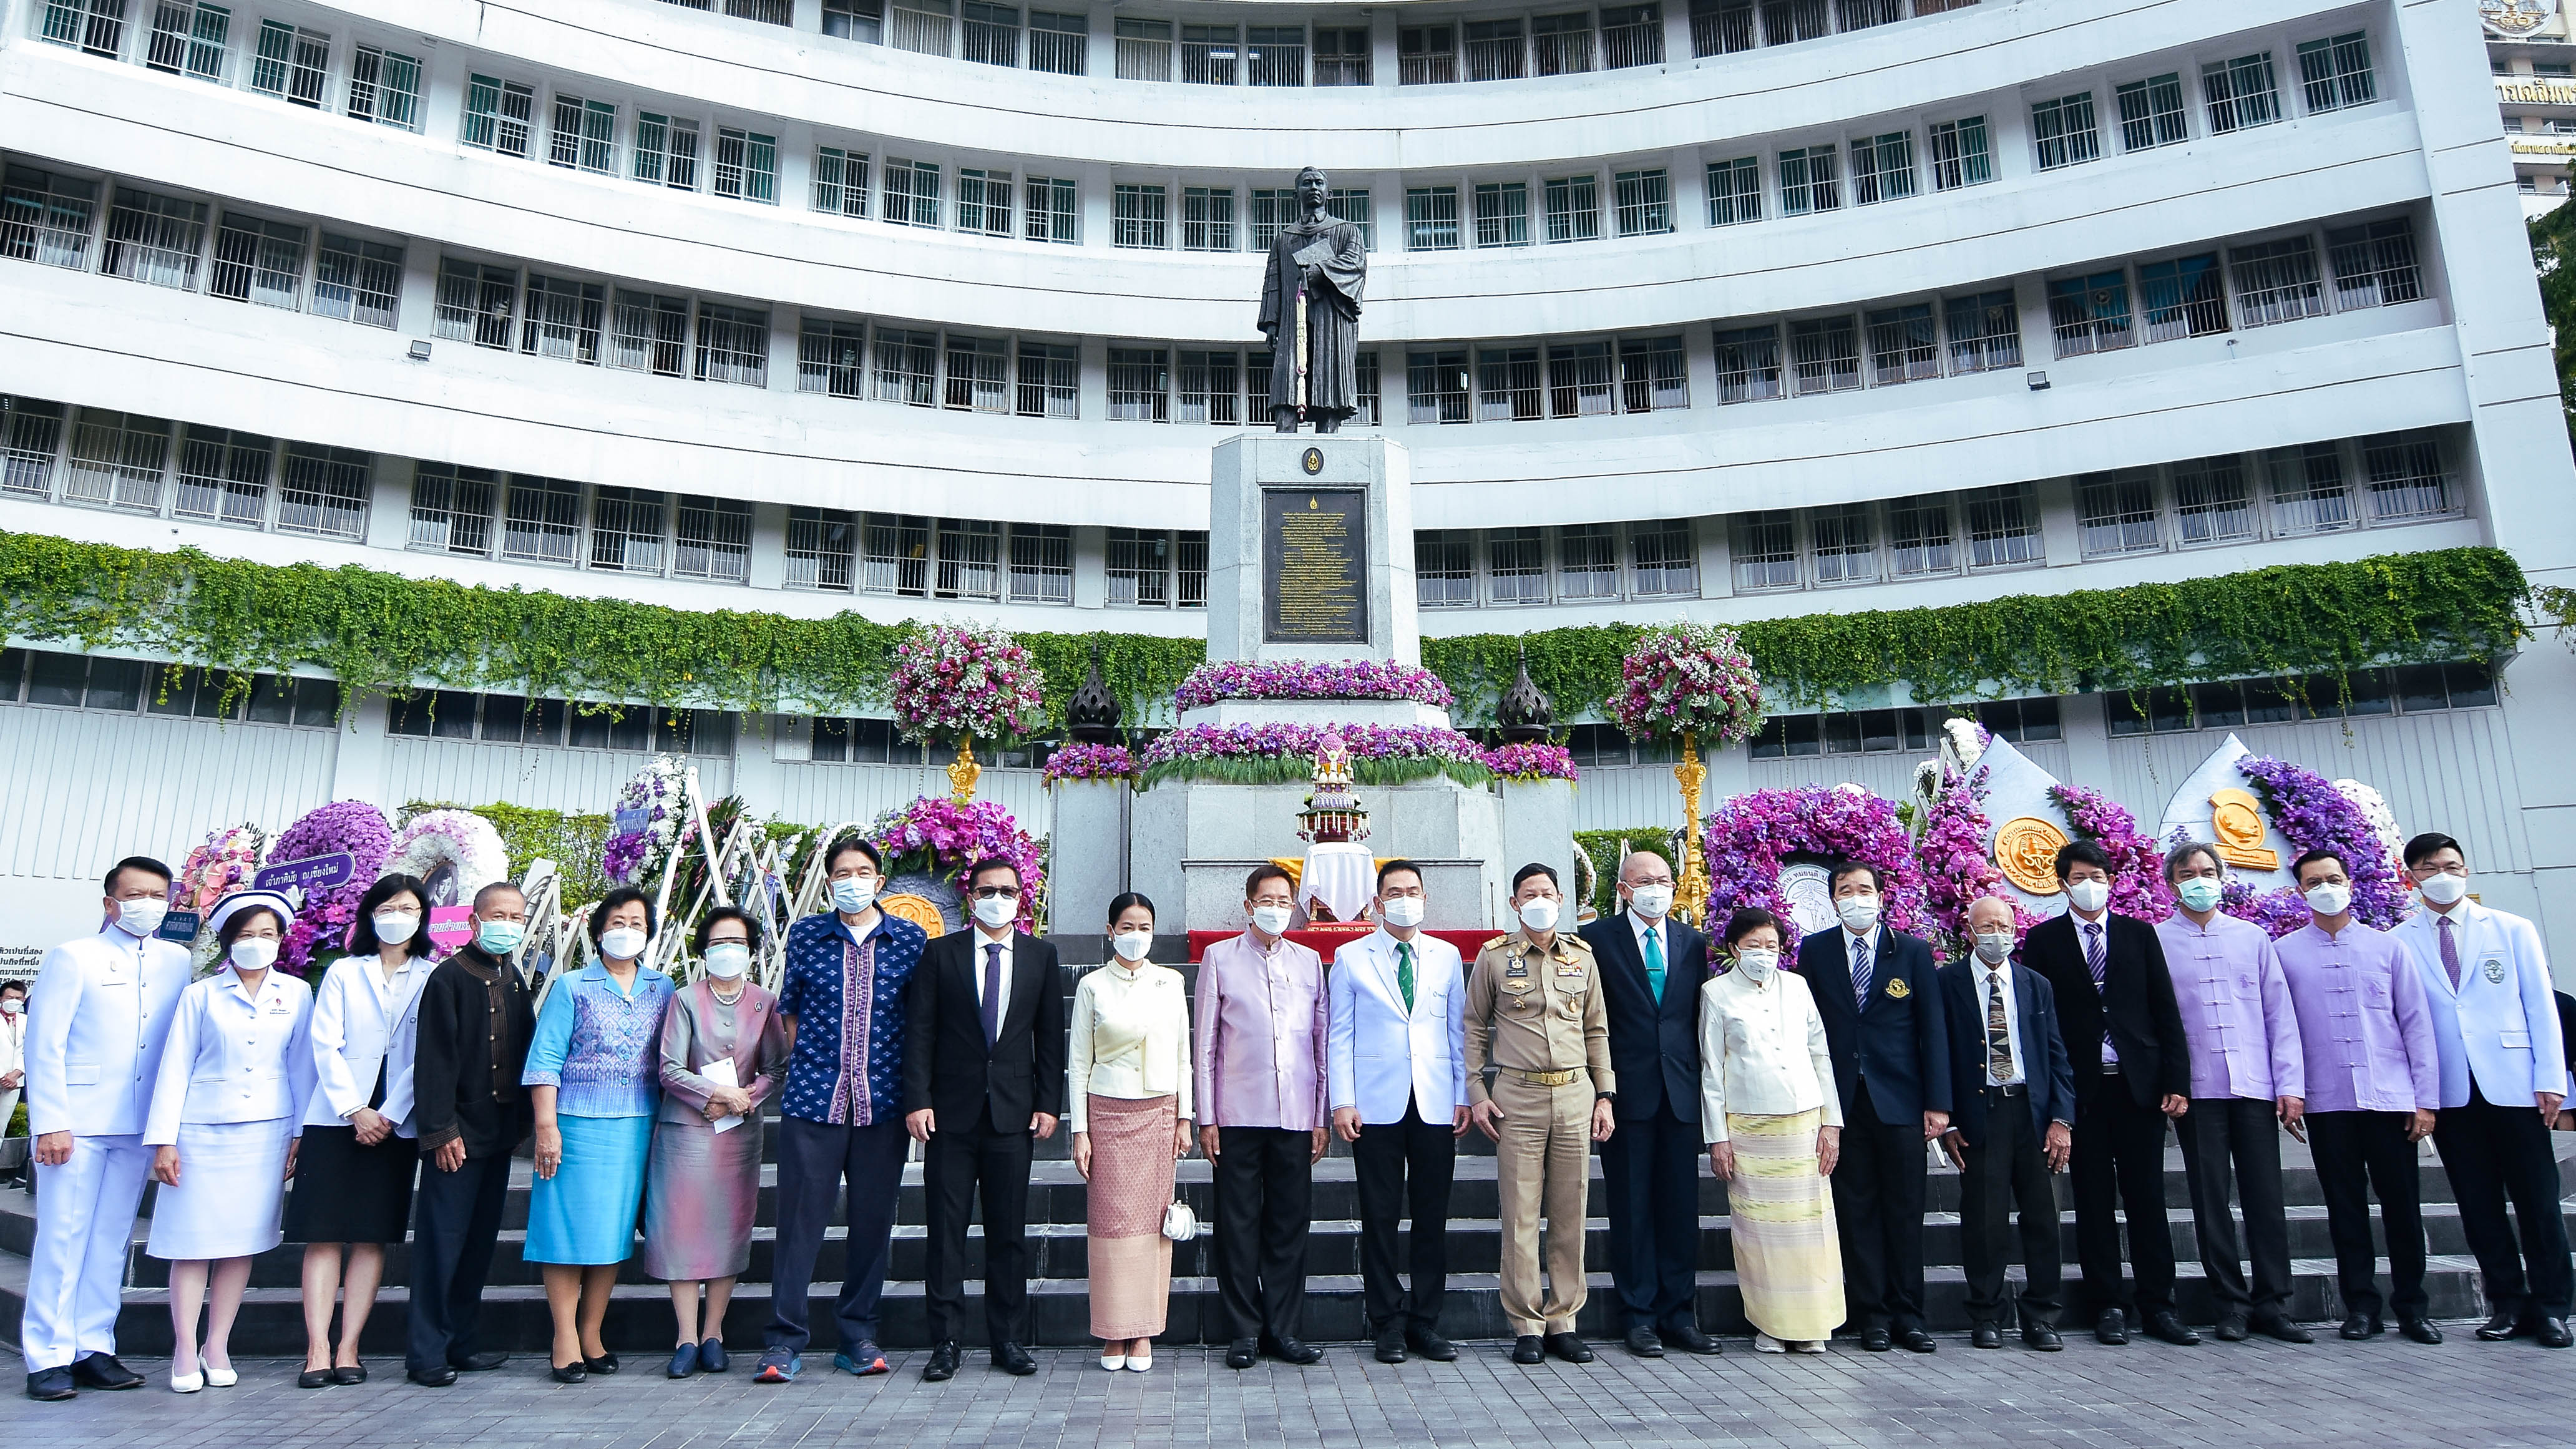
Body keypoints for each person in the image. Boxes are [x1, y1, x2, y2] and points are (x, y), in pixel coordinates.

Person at [2388, 832, 2573, 1348]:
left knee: (2538, 1201)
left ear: (2466, 871)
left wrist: (2552, 1080)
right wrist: (2417, 1095)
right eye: (2429, 867)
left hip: (2515, 1085)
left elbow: (2541, 1005)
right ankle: (2508, 1304)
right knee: (2478, 1204)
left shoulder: (2511, 929)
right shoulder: (2400, 941)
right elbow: (2407, 1023)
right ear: (2411, 878)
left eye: (2451, 865)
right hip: (2450, 1092)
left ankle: (2554, 1305)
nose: (2442, 873)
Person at [756, 837, 927, 1384]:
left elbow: (918, 1023)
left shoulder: (910, 940)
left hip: (883, 1104)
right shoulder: (807, 934)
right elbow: (791, 1012)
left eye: (863, 872)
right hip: (814, 1102)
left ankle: (858, 1334)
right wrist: (812, 1067)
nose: (852, 880)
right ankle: (784, 1340)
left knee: (872, 1224)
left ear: (881, 881)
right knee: (798, 1224)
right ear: (830, 881)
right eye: (841, 873)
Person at [22, 855, 189, 1402]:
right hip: (78, 1122)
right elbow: (44, 1044)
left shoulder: (176, 961)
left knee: (111, 1239)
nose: (148, 905)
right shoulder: (74, 957)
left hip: (138, 1123)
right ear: (110, 902)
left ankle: (94, 1346)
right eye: (136, 895)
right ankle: (47, 1356)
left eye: (158, 896)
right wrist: (51, 1122)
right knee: (63, 1236)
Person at [2022, 839, 2196, 1347]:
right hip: (2083, 1090)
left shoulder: (2139, 935)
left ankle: (2159, 1306)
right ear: (2062, 883)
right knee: (2094, 1201)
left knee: (2148, 1199)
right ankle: (2108, 1306)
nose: (2090, 884)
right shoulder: (2045, 940)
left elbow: (2165, 1010)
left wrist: (2175, 1081)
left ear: (2111, 881)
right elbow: (2041, 1024)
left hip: (2138, 1087)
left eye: (2098, 875)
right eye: (2079, 876)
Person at [142, 890, 315, 1393]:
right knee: (193, 1244)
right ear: (227, 942)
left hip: (267, 1130)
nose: (256, 944)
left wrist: (301, 1133)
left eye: (267, 935)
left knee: (240, 1244)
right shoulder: (201, 995)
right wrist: (164, 1140)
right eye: (245, 935)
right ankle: (183, 1346)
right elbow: (174, 1067)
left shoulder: (297, 993)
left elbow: (302, 1067)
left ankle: (217, 1343)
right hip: (200, 1130)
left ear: (281, 941)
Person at [906, 856, 1065, 1382]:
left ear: (1023, 897)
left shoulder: (1042, 956)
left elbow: (1049, 1039)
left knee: (1008, 1233)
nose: (998, 898)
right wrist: (918, 1098)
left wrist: (1048, 1103)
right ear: (970, 897)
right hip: (950, 1116)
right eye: (988, 890)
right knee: (946, 1231)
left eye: (1008, 890)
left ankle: (1008, 1338)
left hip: (1013, 1117)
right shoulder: (938, 954)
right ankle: (945, 1341)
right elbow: (921, 1033)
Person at [2273, 847, 2441, 1342]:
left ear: (2350, 882)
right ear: (2301, 891)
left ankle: (2413, 1307)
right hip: (2328, 1103)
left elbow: (2416, 1025)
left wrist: (2425, 1100)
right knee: (2345, 1210)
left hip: (2389, 1100)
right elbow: (2283, 1030)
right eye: (2314, 881)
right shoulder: (2284, 953)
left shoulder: (2388, 949)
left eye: (2333, 878)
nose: (2326, 887)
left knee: (2403, 1209)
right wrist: (2291, 1091)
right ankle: (2361, 1306)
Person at [2154, 842, 2311, 1344]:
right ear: (2171, 883)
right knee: (2210, 1199)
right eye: (2187, 873)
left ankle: (2275, 1303)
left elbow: (2278, 1016)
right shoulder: (2155, 942)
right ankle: (2231, 1304)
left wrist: (2290, 1084)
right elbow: (2156, 1024)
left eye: (2207, 872)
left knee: (2266, 1197)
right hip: (2197, 1093)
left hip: (2254, 1087)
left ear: (2221, 877)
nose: (2199, 880)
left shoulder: (2252, 938)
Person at [287, 874, 436, 1388]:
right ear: (372, 914)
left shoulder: (432, 975)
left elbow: (429, 1055)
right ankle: (317, 1348)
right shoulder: (346, 973)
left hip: (396, 1120)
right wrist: (355, 1108)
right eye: (389, 906)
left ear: (423, 918)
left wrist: (390, 1114)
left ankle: (350, 1347)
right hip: (335, 1116)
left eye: (410, 908)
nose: (399, 915)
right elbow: (323, 1043)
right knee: (324, 1234)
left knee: (372, 1236)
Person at [523, 885, 676, 1383]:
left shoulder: (663, 987)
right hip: (575, 1123)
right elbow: (545, 1059)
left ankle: (592, 1332)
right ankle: (564, 1336)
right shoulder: (572, 986)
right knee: (567, 1232)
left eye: (636, 923)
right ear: (597, 931)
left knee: (611, 1234)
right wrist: (546, 1126)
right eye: (616, 923)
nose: (626, 931)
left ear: (649, 933)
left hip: (637, 1125)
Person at [1465, 862, 1614, 1365]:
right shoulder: (1494, 959)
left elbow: (1597, 1029)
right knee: (1522, 1214)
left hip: (1575, 1092)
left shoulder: (1582, 958)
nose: (1540, 901)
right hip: (1517, 1097)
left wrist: (1605, 1095)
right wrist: (1475, 1090)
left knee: (1571, 1211)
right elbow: (1473, 1028)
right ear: (1514, 903)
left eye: (1548, 893)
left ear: (1561, 899)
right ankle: (1526, 1324)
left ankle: (1563, 1320)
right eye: (1530, 894)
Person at [1797, 859, 1948, 1354]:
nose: (1855, 897)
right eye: (1845, 890)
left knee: (1905, 1210)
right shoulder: (1815, 951)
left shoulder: (1911, 951)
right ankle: (1872, 1316)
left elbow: (1933, 1032)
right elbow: (1809, 1030)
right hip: (1842, 1102)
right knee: (1856, 1208)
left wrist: (1938, 1104)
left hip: (1901, 1101)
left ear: (1881, 896)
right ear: (1833, 898)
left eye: (1864, 889)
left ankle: (1909, 1313)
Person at [1328, 859, 1468, 1365]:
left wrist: (1464, 1095)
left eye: (1413, 890)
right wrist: (1342, 1100)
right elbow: (1339, 1035)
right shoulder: (1350, 956)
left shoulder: (1447, 956)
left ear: (1425, 898)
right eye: (1394, 891)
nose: (1404, 898)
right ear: (1377, 900)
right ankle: (1386, 1320)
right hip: (1375, 1104)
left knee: (1432, 1217)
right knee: (1380, 1216)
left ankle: (1426, 1321)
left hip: (1433, 1101)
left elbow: (1457, 1032)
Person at [1580, 850, 1717, 1359]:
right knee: (1632, 1209)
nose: (1656, 888)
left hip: (1681, 1094)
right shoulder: (1595, 942)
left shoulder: (1692, 942)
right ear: (1623, 888)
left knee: (1682, 1210)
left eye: (1663, 879)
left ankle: (1681, 1315)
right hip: (1625, 1095)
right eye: (1644, 881)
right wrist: (1602, 1091)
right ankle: (1637, 1317)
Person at [1194, 864, 1329, 1370]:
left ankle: (1283, 1329)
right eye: (1266, 900)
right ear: (1248, 905)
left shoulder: (1311, 961)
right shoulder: (1220, 959)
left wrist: (1320, 1115)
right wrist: (1207, 1117)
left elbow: (1320, 1042)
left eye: (1284, 900)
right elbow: (1204, 1045)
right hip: (1237, 1113)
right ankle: (1244, 1330)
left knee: (1289, 1224)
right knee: (1238, 1224)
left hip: (1295, 1113)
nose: (1276, 908)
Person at [405, 881, 538, 1387]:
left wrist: (526, 1119)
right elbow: (434, 1062)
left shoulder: (513, 976)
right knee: (443, 1243)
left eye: (516, 916)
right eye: (498, 914)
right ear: (474, 921)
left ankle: (463, 1342)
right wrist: (440, 1131)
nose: (508, 924)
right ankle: (426, 1353)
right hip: (456, 1135)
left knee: (479, 1242)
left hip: (500, 1131)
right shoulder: (448, 977)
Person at [645, 906, 788, 1378]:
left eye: (738, 943)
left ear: (751, 950)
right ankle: (685, 1336)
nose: (728, 951)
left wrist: (747, 1097)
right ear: (704, 951)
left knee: (729, 1228)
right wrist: (714, 1094)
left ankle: (714, 1333)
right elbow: (668, 1068)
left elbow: (775, 1069)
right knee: (682, 1229)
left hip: (739, 1134)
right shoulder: (685, 999)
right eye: (718, 943)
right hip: (687, 1131)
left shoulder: (764, 1002)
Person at [1936, 897, 2075, 1352]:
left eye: (2005, 925)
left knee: (2044, 1219)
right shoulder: (1947, 983)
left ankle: (2042, 1315)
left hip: (2032, 1114)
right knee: (1984, 1219)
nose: (1997, 933)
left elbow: (2057, 1056)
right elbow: (1937, 1057)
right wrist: (1949, 1119)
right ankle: (1986, 1313)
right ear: (1969, 931)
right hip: (1981, 1114)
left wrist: (2061, 1119)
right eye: (1987, 926)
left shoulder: (2036, 985)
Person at [1702, 907, 1843, 1354]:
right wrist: (1717, 1137)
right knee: (1761, 1232)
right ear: (1733, 949)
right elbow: (1712, 1067)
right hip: (1749, 1127)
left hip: (1804, 1122)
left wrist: (1831, 1123)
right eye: (1754, 945)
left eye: (1772, 946)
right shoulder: (1716, 993)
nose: (1764, 954)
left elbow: (1820, 1054)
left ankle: (1814, 1324)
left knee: (1809, 1229)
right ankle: (1772, 1324)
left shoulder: (1797, 987)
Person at [1069, 893, 1193, 1372]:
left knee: (1150, 1227)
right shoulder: (1093, 986)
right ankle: (1112, 1332)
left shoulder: (1171, 982)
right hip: (1107, 1111)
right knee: (1109, 1225)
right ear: (1110, 929)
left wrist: (1185, 1118)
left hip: (1159, 1111)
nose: (1135, 934)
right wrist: (1079, 1131)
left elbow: (1183, 1054)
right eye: (1127, 926)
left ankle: (1142, 1331)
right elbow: (1079, 1064)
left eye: (1144, 926)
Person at [0, 979, 26, 1139]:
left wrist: (16, 1073)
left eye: (18, 999)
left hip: (14, 1083)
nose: (14, 1002)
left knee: (1, 1128)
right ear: (1, 999)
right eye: (10, 998)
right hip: (3, 1078)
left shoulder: (27, 1021)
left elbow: (30, 1051)